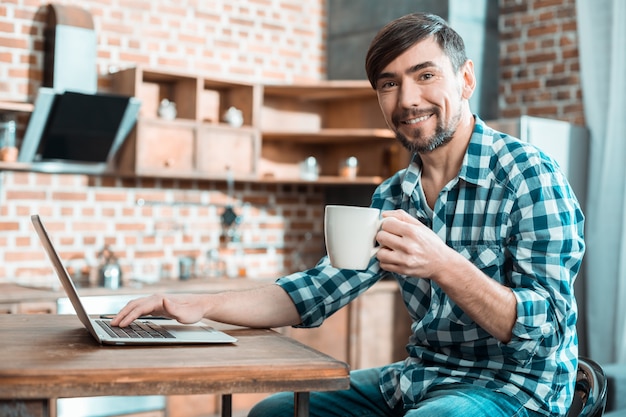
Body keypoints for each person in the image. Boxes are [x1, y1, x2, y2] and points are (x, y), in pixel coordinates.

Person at [112, 12, 585, 417]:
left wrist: (442, 262)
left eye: (425, 76)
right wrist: (202, 306)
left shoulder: (528, 175)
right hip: (421, 378)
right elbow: (317, 292)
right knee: (271, 411)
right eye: (389, 84)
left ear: (465, 79)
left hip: (515, 389)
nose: (407, 100)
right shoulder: (394, 195)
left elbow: (544, 333)